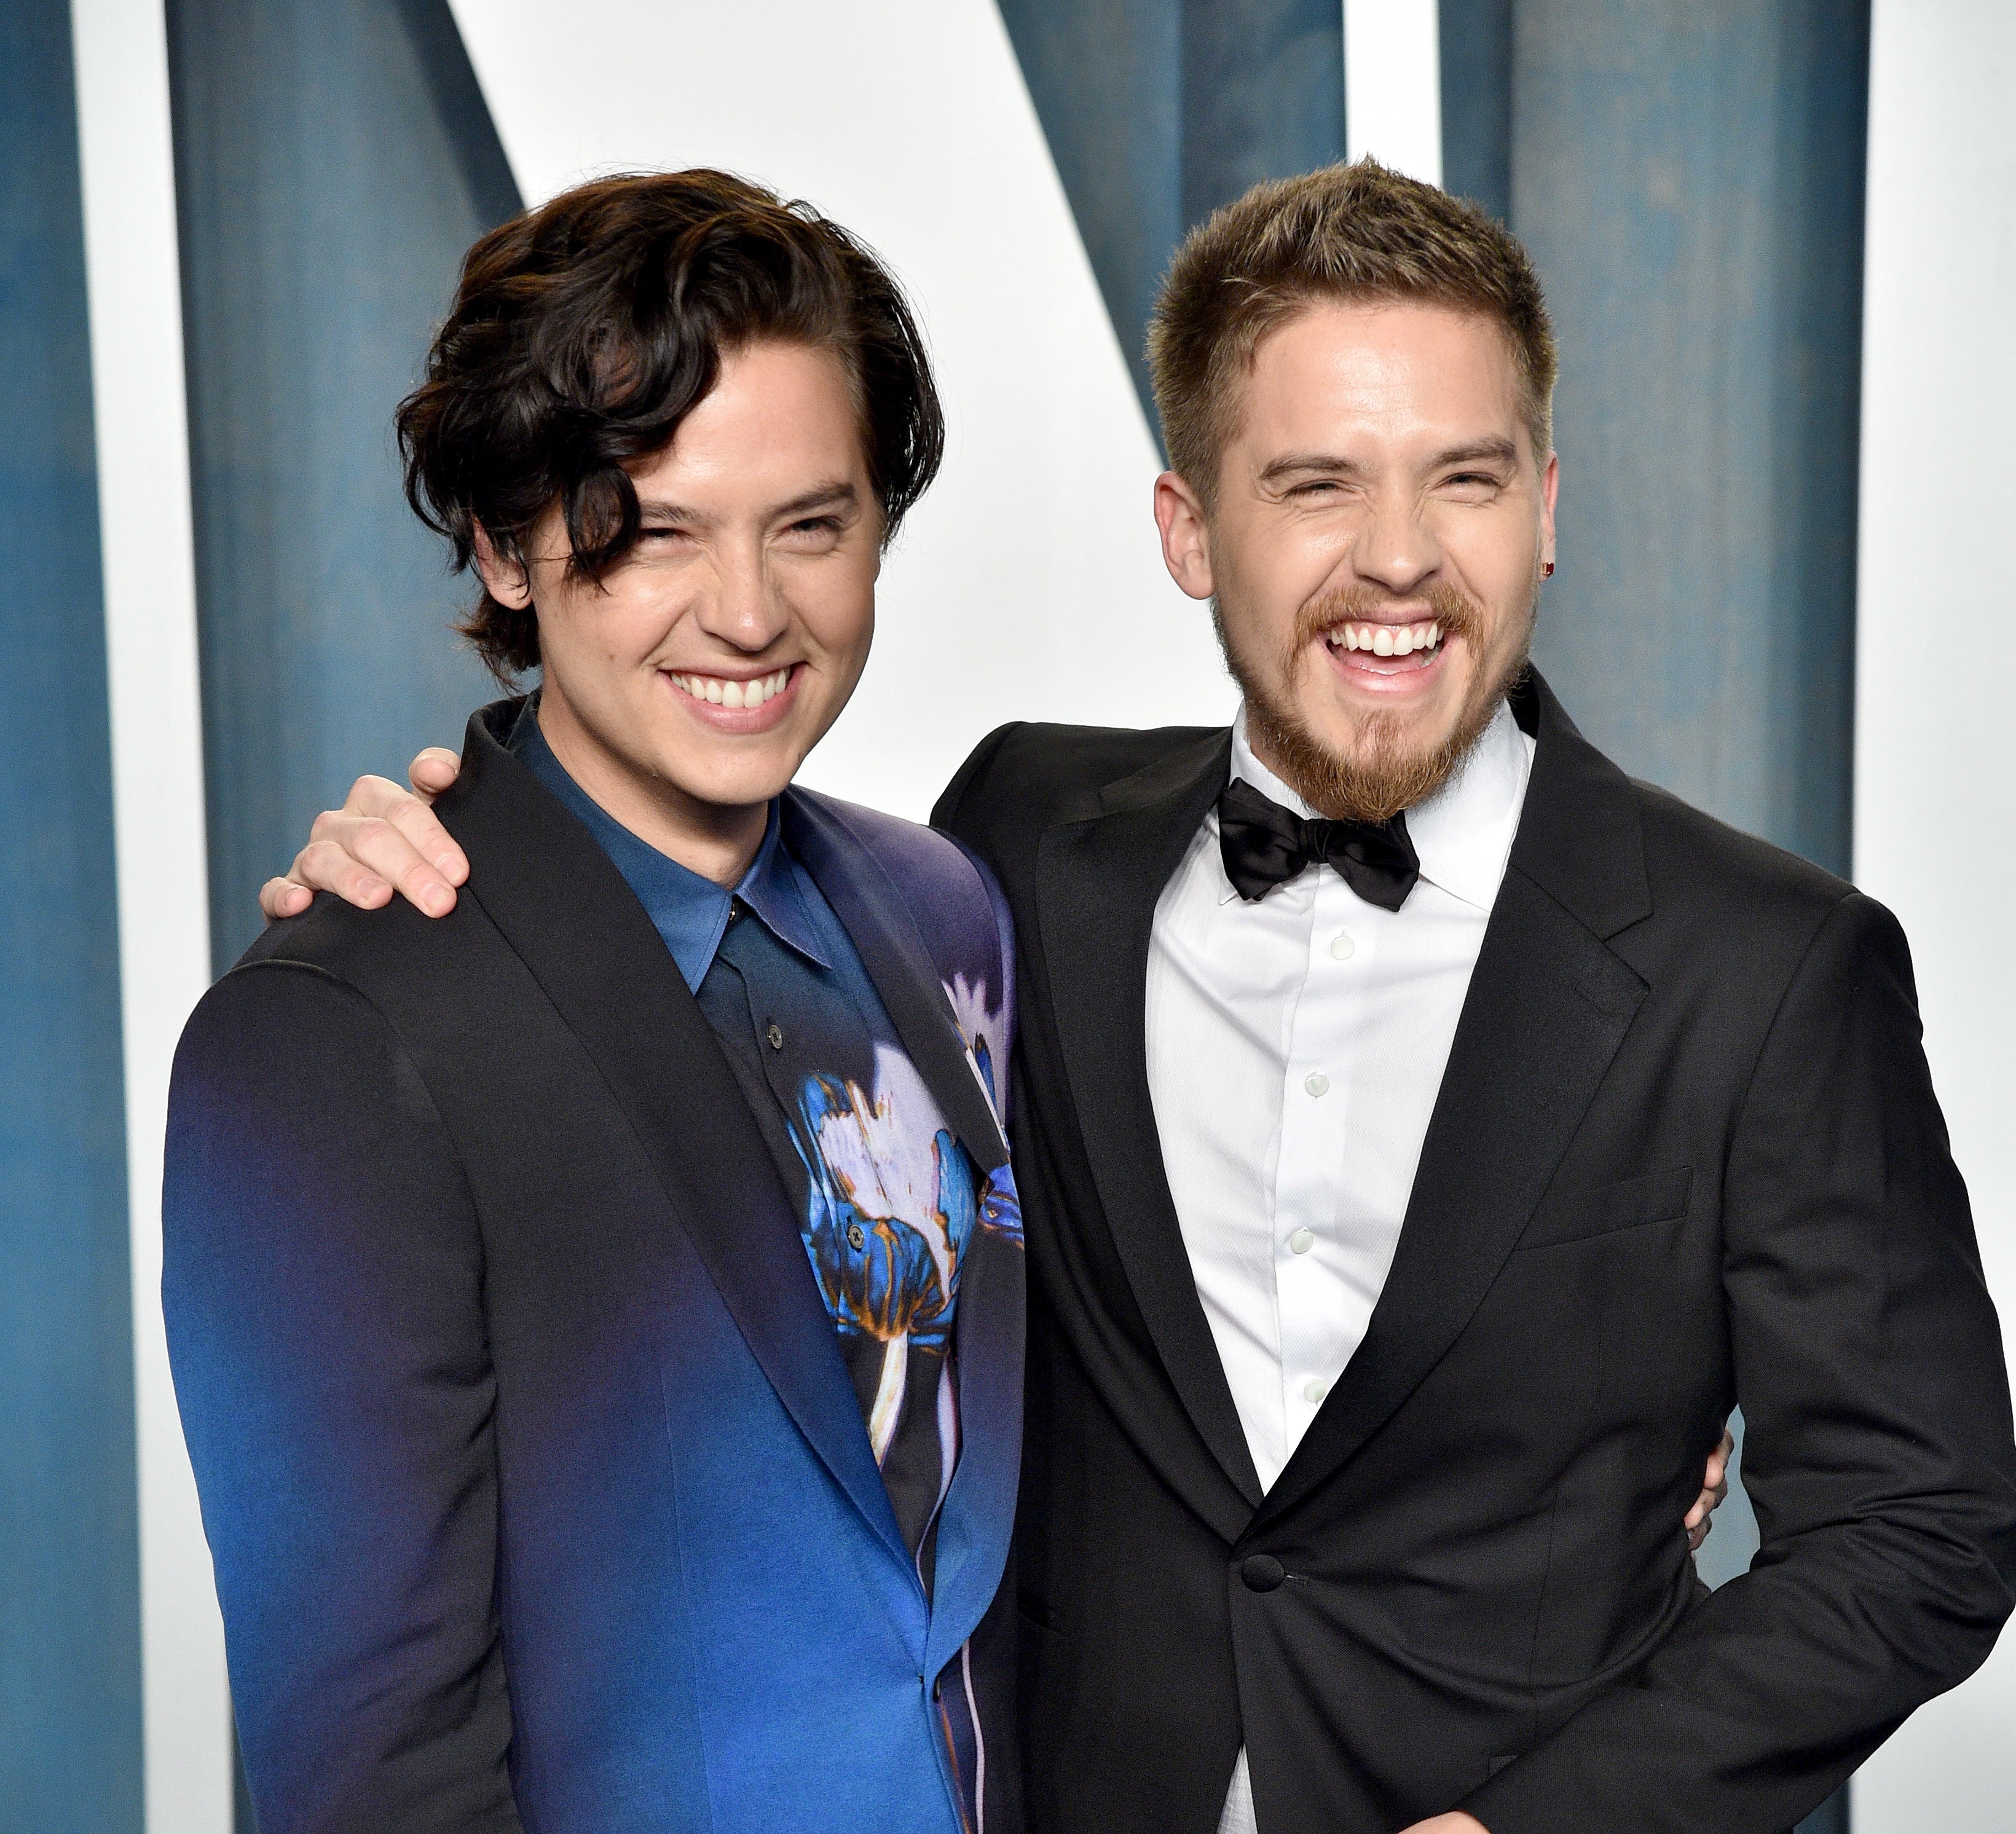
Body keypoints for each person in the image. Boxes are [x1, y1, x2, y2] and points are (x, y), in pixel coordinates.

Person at [272, 166, 1985, 1834]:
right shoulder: (1009, 852)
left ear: (1548, 509)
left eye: (1463, 480)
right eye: (1315, 484)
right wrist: (459, 845)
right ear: (1188, 529)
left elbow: (1923, 1524)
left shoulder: (1770, 966)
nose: (1398, 561)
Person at [164, 171, 1026, 1834]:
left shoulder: (947, 911)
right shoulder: (338, 1036)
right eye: (655, 529)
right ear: (502, 545)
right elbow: (372, 1774)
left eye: (812, 524)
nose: (753, 612)